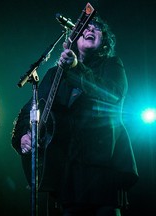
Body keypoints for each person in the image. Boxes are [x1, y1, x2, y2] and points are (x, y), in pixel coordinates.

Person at [11, 16, 139, 216]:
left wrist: (77, 67)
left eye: (97, 29)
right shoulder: (55, 74)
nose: (91, 30)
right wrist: (23, 135)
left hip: (103, 163)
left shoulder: (112, 64)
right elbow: (30, 108)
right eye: (85, 27)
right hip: (69, 167)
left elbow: (112, 94)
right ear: (73, 38)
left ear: (103, 40)